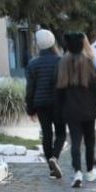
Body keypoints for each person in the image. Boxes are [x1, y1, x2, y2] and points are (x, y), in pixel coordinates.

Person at [57, 32, 96, 187]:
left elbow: (58, 91)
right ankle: (90, 170)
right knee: (90, 141)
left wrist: (59, 112)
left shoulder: (63, 64)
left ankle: (77, 172)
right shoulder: (88, 63)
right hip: (89, 110)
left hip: (71, 111)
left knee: (75, 142)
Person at [25, 29, 65, 179]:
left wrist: (30, 110)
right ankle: (55, 157)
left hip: (41, 104)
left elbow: (30, 89)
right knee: (61, 133)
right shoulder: (61, 61)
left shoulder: (33, 64)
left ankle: (51, 167)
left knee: (46, 134)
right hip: (58, 103)